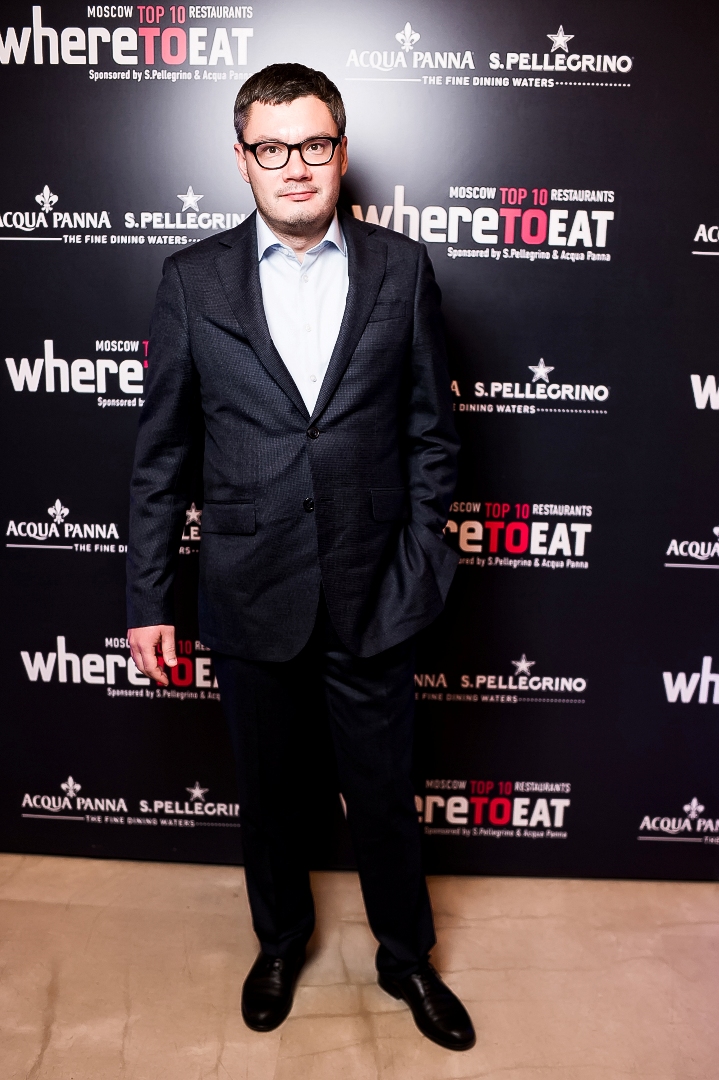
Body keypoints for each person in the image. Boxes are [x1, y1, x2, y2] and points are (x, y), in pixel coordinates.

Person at [126, 63, 474, 1052]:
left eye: (313, 144)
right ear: (240, 159)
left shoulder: (401, 270)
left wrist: (420, 558)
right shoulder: (191, 282)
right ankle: (279, 944)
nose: (294, 166)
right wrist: (149, 598)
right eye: (271, 148)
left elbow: (433, 434)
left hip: (376, 593)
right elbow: (161, 455)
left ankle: (405, 958)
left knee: (385, 800)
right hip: (250, 589)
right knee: (271, 801)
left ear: (341, 152)